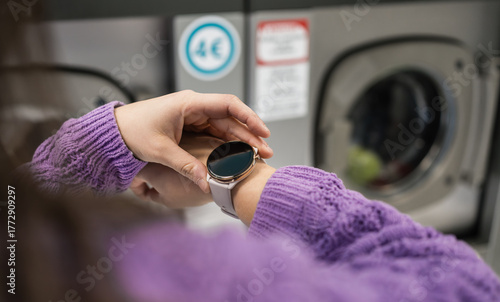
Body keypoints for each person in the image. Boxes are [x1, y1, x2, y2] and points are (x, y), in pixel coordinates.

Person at [13, 92, 500, 302]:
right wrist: (246, 179)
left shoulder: (21, 257)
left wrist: (107, 139)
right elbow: (461, 284)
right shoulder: (195, 278)